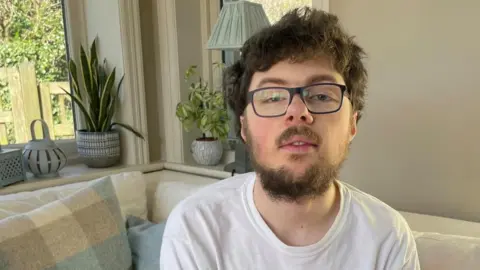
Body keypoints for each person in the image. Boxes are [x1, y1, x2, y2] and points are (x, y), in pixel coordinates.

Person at [160, 7, 420, 270]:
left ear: (352, 124)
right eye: (272, 97)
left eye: (321, 95)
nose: (297, 112)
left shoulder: (387, 238)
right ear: (243, 126)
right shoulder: (195, 229)